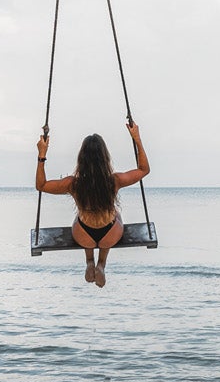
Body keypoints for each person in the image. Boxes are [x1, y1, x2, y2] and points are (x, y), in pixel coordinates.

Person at [36, 121, 150, 284]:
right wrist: (136, 138)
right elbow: (144, 170)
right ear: (105, 157)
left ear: (81, 158)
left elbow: (41, 185)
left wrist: (42, 154)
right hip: (110, 233)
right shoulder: (115, 181)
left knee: (79, 217)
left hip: (83, 234)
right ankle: (101, 264)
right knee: (115, 214)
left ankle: (89, 261)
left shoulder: (73, 184)